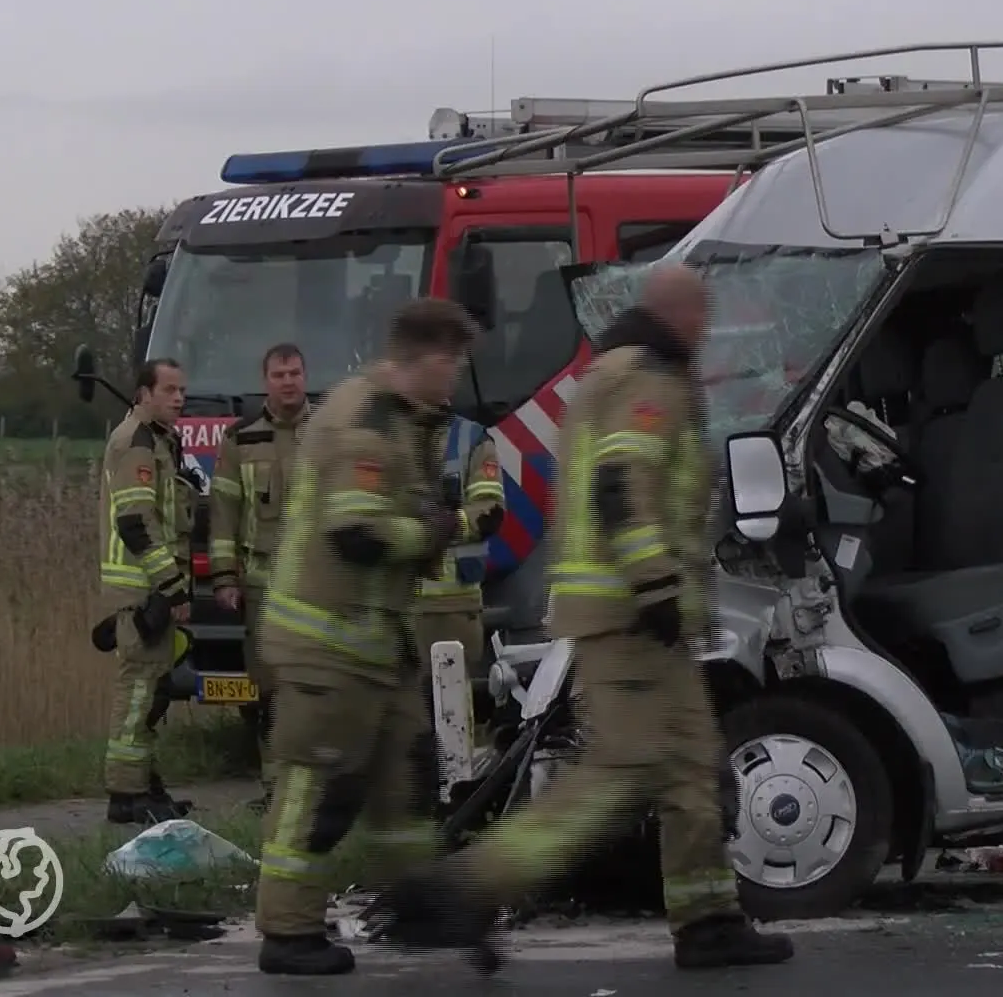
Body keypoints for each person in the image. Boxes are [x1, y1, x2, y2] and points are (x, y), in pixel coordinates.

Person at [373, 262, 795, 972]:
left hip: (630, 614)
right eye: (702, 316)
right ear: (683, 317)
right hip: (632, 616)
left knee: (691, 768)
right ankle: (467, 889)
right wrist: (657, 583)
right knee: (618, 773)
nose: (706, 329)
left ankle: (708, 919)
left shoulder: (606, 374)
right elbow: (620, 482)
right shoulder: (650, 379)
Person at [253, 299, 482, 977]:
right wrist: (433, 532)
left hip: (375, 646)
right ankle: (287, 930)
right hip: (328, 648)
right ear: (430, 358)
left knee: (402, 784)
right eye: (456, 362)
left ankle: (421, 906)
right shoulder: (368, 422)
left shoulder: (398, 417)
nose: (458, 376)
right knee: (318, 791)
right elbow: (356, 535)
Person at [209, 343, 314, 810]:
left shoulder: (333, 434)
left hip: (321, 587)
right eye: (279, 374)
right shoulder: (240, 440)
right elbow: (224, 516)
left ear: (305, 376)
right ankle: (275, 788)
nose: (288, 381)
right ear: (265, 380)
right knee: (269, 691)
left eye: (294, 372)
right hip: (263, 585)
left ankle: (315, 790)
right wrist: (224, 579)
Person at [95, 358, 197, 825]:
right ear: (144, 393)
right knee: (137, 693)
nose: (179, 398)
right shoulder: (135, 442)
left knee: (151, 692)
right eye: (169, 389)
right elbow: (137, 523)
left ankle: (145, 787)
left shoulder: (159, 441)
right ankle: (126, 795)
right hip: (140, 591)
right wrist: (173, 587)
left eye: (181, 390)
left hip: (150, 587)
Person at [412, 407, 505, 700]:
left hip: (452, 609)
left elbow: (490, 511)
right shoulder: (384, 434)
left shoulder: (472, 439)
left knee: (451, 713)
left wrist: (447, 525)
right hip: (394, 608)